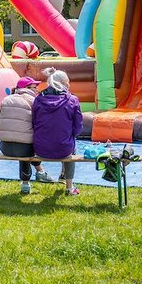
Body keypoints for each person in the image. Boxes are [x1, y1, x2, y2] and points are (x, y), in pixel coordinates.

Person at [0, 76, 54, 194]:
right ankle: (27, 182)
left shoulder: (6, 100)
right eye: (34, 87)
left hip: (4, 147)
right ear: (26, 88)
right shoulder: (34, 101)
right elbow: (40, 126)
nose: (37, 90)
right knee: (26, 146)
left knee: (22, 141)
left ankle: (39, 173)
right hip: (25, 149)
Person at [32, 68, 83, 196]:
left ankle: (29, 181)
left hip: (40, 148)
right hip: (64, 149)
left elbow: (34, 122)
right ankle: (69, 187)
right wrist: (70, 135)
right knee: (71, 146)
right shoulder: (72, 100)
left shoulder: (38, 99)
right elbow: (78, 127)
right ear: (64, 82)